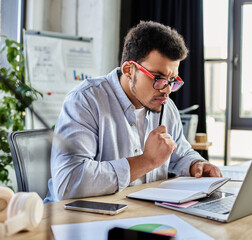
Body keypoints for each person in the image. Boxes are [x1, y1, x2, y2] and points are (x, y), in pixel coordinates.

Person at [45, 21, 221, 203]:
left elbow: (180, 153)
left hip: (139, 216)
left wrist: (196, 165)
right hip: (77, 221)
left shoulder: (165, 105)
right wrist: (146, 161)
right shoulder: (85, 101)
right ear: (129, 70)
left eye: (172, 80)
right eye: (158, 78)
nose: (166, 89)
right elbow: (68, 182)